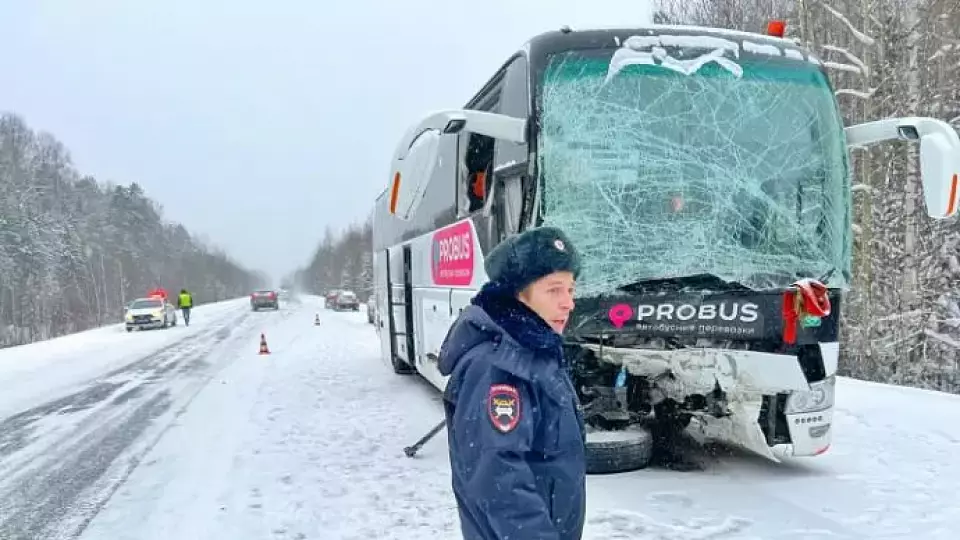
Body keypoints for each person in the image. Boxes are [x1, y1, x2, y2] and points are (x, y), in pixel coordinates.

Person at [438, 226, 586, 540]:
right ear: (518, 295)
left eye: (571, 290)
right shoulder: (497, 368)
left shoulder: (534, 354)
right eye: (554, 290)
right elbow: (499, 482)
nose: (569, 303)